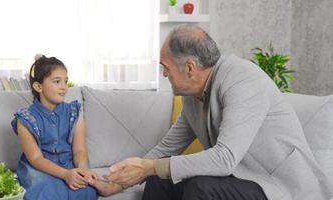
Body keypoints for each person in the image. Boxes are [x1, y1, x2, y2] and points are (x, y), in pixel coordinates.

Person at [92, 25, 333, 200]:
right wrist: (119, 183)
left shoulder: (242, 80)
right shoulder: (193, 96)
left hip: (280, 185)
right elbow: (167, 148)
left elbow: (225, 158)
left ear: (189, 68)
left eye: (166, 68)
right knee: (159, 179)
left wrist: (150, 167)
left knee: (199, 188)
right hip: (240, 177)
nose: (164, 75)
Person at [11, 55, 98, 200]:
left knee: (86, 190)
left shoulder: (74, 112)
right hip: (40, 167)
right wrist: (65, 174)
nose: (64, 87)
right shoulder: (25, 119)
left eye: (65, 81)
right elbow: (36, 158)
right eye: (57, 81)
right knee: (49, 191)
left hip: (68, 163)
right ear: (38, 86)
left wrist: (82, 168)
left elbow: (79, 150)